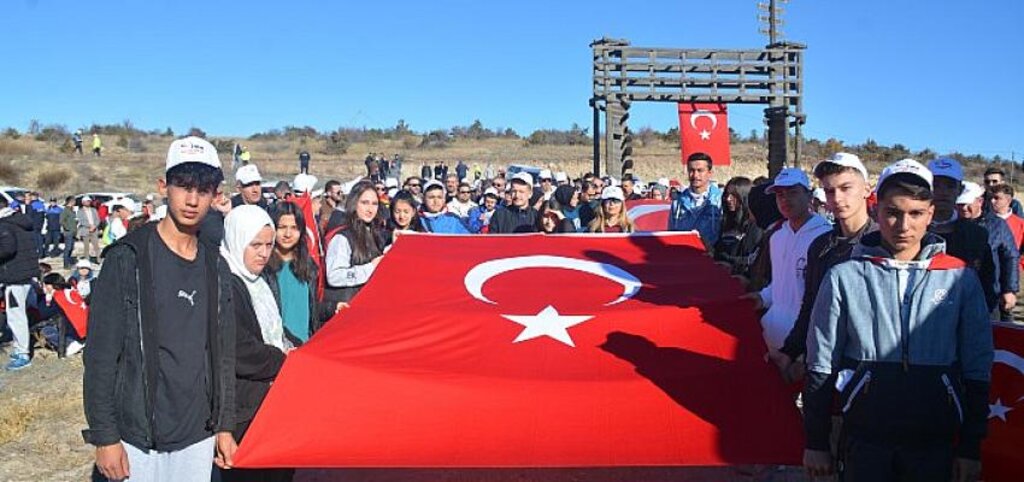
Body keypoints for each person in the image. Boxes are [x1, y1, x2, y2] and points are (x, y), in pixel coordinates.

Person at [802, 159, 992, 482]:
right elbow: (821, 363)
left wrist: (971, 447)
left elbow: (977, 365)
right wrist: (816, 442)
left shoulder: (959, 278)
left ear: (931, 214)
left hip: (935, 442)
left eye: (916, 213)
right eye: (893, 212)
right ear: (876, 211)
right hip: (865, 440)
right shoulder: (844, 276)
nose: (904, 225)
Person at [83, 136, 237, 482]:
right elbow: (100, 355)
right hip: (138, 436)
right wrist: (105, 436)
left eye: (204, 189)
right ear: (163, 186)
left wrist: (225, 425)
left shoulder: (216, 265)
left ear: (216, 195)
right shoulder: (128, 259)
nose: (193, 199)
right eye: (183, 186)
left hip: (198, 433)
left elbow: (224, 355)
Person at [775, 153, 876, 382]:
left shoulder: (882, 245)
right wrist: (790, 351)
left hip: (867, 370)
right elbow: (811, 304)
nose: (837, 198)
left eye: (846, 188)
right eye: (830, 191)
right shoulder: (820, 247)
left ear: (866, 189)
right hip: (821, 367)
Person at [217, 205, 295, 482]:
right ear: (238, 240)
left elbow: (273, 327)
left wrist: (298, 347)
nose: (263, 253)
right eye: (255, 245)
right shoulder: (224, 283)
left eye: (268, 245)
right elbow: (238, 348)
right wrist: (285, 359)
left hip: (273, 398)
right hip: (245, 407)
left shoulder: (261, 279)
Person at [746, 167, 831, 352]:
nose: (785, 199)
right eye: (780, 195)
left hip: (803, 347)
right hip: (771, 338)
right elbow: (781, 285)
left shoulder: (825, 237)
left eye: (792, 192)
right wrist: (762, 298)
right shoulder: (777, 237)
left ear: (809, 197)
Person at [928, 157, 997, 312]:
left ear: (959, 190)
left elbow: (987, 283)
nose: (943, 192)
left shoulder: (977, 235)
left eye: (950, 186)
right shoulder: (910, 232)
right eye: (936, 185)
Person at [266, 202, 338, 344]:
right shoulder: (264, 268)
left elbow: (310, 306)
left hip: (304, 344)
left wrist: (332, 307)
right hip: (276, 346)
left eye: (294, 228)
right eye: (282, 227)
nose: (288, 234)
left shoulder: (308, 265)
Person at [957, 181, 1019, 322]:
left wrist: (1009, 289)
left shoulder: (997, 225)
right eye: (960, 205)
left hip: (988, 290)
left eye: (968, 204)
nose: (964, 208)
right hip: (958, 290)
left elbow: (1010, 256)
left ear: (979, 201)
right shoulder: (954, 225)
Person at [323, 181, 388, 304]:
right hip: (347, 307)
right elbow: (334, 276)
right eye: (364, 203)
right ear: (354, 203)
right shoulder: (342, 237)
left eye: (374, 204)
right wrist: (370, 268)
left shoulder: (375, 234)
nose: (370, 209)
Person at [0, 196, 41, 370]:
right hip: (26, 275)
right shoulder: (19, 221)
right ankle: (21, 346)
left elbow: (7, 248)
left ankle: (22, 353)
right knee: (20, 314)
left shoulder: (4, 225)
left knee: (16, 316)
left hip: (15, 277)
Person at [669, 152, 723, 249]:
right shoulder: (677, 203)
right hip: (685, 256)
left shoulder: (720, 200)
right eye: (691, 170)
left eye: (700, 170)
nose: (695, 175)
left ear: (709, 173)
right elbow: (671, 233)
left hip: (712, 257)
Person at [712, 176, 764, 276]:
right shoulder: (726, 222)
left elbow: (752, 260)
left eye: (733, 195)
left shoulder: (755, 226)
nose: (728, 199)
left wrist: (729, 262)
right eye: (727, 195)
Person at [77, 196, 101, 264]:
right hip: (85, 230)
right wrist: (89, 226)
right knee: (86, 247)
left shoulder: (94, 210)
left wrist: (94, 226)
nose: (88, 202)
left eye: (89, 201)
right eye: (87, 201)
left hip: (94, 230)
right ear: (83, 202)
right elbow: (81, 221)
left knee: (96, 246)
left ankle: (99, 259)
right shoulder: (80, 211)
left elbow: (97, 219)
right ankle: (87, 260)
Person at [59, 196, 77, 268]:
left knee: (71, 248)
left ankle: (69, 261)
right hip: (68, 232)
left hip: (73, 232)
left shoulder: (72, 210)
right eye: (74, 201)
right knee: (68, 248)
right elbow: (61, 221)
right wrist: (68, 228)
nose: (75, 202)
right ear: (70, 202)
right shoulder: (65, 210)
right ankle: (66, 264)